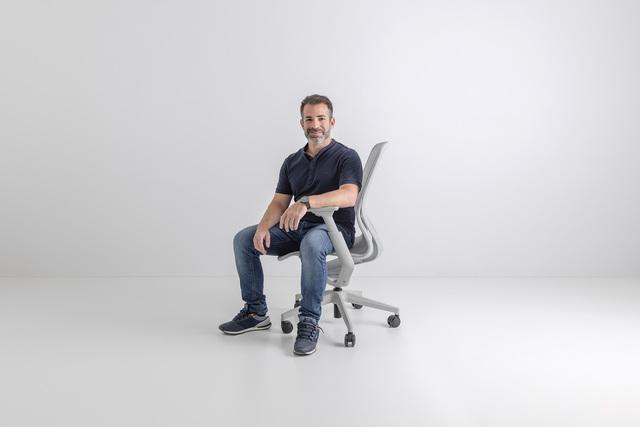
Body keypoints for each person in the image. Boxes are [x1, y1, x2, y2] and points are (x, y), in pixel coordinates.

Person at [219, 94, 363, 356]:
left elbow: (349, 195)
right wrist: (263, 227)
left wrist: (306, 202)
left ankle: (309, 321)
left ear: (332, 122)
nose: (315, 124)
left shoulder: (346, 156)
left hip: (335, 229)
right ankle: (256, 312)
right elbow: (279, 201)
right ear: (301, 123)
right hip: (297, 227)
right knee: (243, 240)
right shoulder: (292, 162)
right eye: (309, 119)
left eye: (321, 118)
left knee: (312, 242)